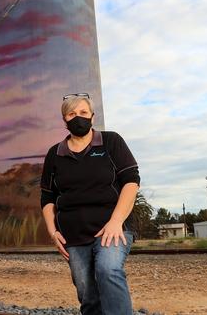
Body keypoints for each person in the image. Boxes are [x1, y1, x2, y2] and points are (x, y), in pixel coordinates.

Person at [40, 93, 140, 315]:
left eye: (83, 112)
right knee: (86, 291)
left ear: (92, 117)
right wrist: (52, 231)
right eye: (72, 114)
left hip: (112, 229)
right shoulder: (54, 154)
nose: (78, 118)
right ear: (64, 120)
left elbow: (131, 182)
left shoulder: (111, 141)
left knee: (108, 269)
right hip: (73, 235)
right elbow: (47, 197)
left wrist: (116, 221)